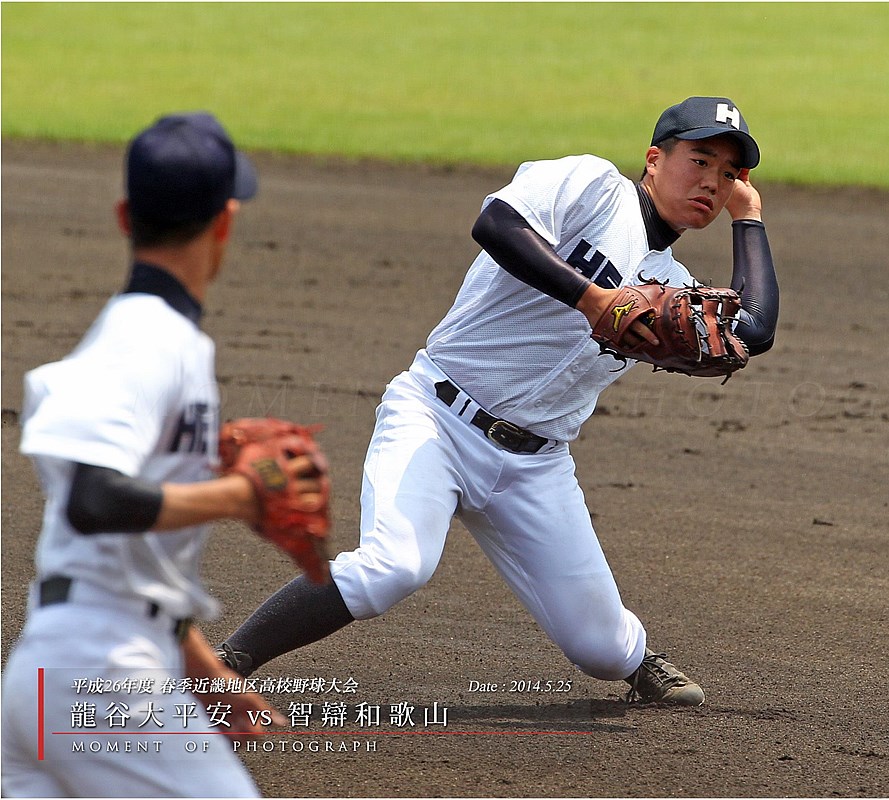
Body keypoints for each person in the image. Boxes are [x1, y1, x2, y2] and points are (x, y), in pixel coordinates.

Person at [216, 96, 779, 706]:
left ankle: (642, 661)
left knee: (603, 651)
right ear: (653, 158)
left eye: (727, 174)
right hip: (436, 417)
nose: (712, 183)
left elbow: (753, 330)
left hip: (535, 466)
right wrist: (593, 299)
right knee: (394, 567)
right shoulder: (591, 185)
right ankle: (223, 663)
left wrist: (749, 218)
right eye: (699, 160)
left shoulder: (671, 287)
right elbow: (496, 224)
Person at [1, 112, 321, 797]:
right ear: (225, 221)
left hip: (60, 666)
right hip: (103, 673)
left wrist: (206, 677)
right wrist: (244, 494)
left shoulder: (157, 339)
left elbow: (116, 555)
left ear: (124, 216)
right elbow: (94, 501)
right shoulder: (147, 339)